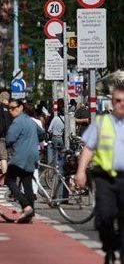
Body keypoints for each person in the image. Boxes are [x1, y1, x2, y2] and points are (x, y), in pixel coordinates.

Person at [75, 83, 124, 264]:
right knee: (104, 217)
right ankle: (109, 246)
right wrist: (80, 171)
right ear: (112, 102)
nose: (121, 104)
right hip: (105, 178)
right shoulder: (102, 123)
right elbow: (88, 148)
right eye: (117, 101)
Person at [5, 100, 45, 223]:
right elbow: (42, 134)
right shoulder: (30, 121)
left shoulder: (17, 122)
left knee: (9, 180)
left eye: (13, 108)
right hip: (33, 155)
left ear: (21, 107)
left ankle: (25, 205)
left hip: (21, 156)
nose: (11, 111)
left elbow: (9, 139)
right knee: (27, 183)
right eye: (9, 108)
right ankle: (29, 214)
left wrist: (12, 143)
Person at [0, 91, 12, 174]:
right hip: (12, 136)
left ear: (1, 98)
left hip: (1, 136)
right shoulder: (13, 109)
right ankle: (13, 179)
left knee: (3, 158)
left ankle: (5, 179)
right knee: (12, 158)